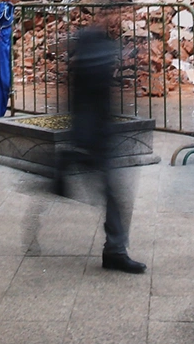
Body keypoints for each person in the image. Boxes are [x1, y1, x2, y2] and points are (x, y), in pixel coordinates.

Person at [60, 20, 146, 274]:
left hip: (92, 138)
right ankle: (115, 251)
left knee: (113, 196)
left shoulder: (85, 62)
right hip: (94, 140)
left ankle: (114, 250)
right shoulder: (95, 64)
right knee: (114, 196)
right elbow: (91, 106)